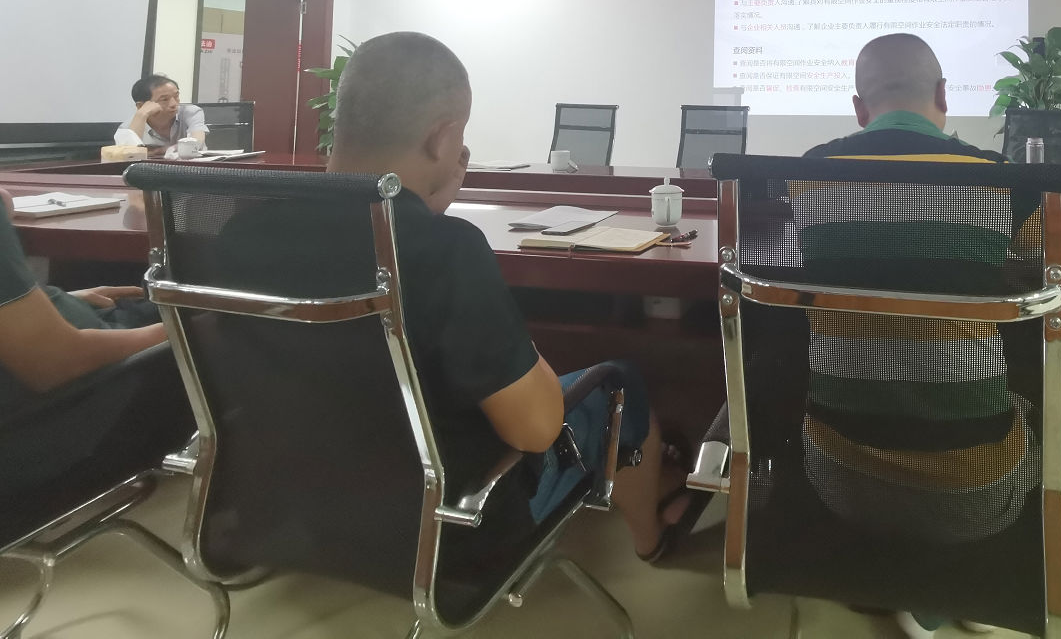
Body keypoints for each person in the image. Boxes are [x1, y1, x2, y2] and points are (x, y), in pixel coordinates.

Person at [213, 32, 691, 560]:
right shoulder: (445, 249)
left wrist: (421, 213)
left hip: (286, 506)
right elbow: (537, 430)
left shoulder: (242, 230)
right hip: (447, 523)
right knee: (621, 382)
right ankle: (652, 541)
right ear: (443, 138)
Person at [801, 33, 1061, 639]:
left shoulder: (804, 177)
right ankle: (951, 587)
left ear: (859, 109)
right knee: (1041, 376)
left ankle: (902, 579)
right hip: (979, 485)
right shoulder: (1000, 182)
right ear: (943, 96)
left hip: (835, 475)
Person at [0, 186, 193, 498]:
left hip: (78, 336)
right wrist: (192, 328)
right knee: (245, 331)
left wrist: (53, 300)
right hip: (56, 413)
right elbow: (56, 363)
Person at [114, 75, 207, 150]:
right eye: (164, 99)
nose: (174, 104)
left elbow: (196, 143)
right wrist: (141, 114)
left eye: (176, 96)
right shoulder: (127, 127)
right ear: (141, 106)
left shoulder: (190, 112)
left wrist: (161, 151)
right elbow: (127, 155)